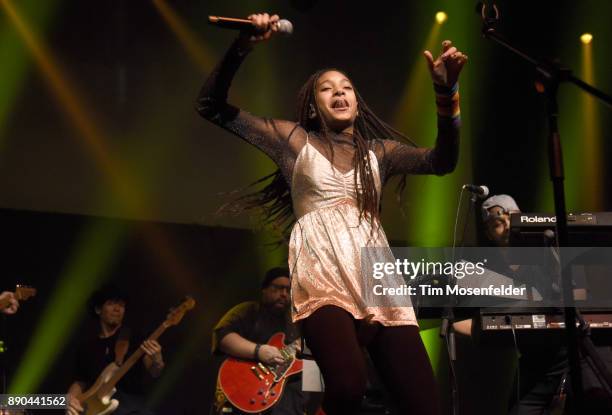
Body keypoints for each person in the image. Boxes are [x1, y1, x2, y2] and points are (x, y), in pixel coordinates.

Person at [197, 12, 466, 414]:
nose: (339, 94)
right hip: (322, 272)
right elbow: (210, 105)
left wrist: (446, 96)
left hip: (377, 276)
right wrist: (244, 46)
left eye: (347, 88)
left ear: (357, 102)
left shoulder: (379, 153)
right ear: (312, 104)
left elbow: (443, 161)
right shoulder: (294, 141)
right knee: (348, 384)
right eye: (327, 89)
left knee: (425, 404)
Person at [211, 267, 305, 414]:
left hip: (287, 406)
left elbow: (311, 374)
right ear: (264, 289)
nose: (283, 294)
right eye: (278, 288)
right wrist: (258, 351)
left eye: (288, 290)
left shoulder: (296, 325)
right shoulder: (249, 310)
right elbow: (222, 336)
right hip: (241, 398)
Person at [66, 284, 164, 415]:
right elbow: (79, 382)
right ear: (98, 309)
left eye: (121, 305)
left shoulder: (134, 337)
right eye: (111, 304)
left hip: (132, 409)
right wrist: (70, 400)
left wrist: (157, 359)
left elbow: (154, 371)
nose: (117, 309)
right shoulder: (86, 347)